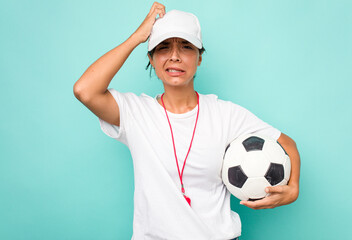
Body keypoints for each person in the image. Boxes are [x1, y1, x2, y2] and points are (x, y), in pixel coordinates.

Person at [73, 2, 300, 239]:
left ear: (199, 58)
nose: (174, 56)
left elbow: (288, 144)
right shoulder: (136, 112)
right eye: (163, 47)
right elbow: (84, 90)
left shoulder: (225, 114)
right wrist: (136, 37)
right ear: (151, 59)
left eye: (186, 47)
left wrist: (292, 189)